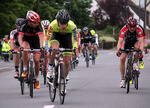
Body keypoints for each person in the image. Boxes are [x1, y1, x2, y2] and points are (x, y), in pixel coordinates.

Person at [46, 9, 78, 92]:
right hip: (56, 37)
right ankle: (50, 68)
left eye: (65, 24)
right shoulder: (52, 25)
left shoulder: (72, 26)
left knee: (67, 61)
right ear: (57, 22)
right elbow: (47, 39)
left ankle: (63, 80)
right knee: (54, 50)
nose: (64, 26)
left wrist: (75, 48)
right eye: (62, 24)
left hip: (67, 38)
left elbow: (75, 40)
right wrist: (47, 48)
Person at [18, 11, 44, 89]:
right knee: (25, 49)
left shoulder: (38, 25)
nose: (36, 24)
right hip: (26, 40)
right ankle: (25, 69)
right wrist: (21, 46)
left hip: (36, 40)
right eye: (34, 23)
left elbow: (41, 36)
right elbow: (20, 37)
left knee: (36, 60)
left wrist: (42, 46)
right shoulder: (24, 24)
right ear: (29, 21)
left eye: (37, 23)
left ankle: (36, 79)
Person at [117, 17, 144, 88]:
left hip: (135, 42)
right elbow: (119, 42)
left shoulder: (139, 29)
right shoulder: (124, 29)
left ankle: (135, 62)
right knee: (122, 59)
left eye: (134, 26)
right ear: (128, 25)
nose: (132, 28)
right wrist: (119, 50)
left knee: (138, 48)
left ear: (136, 26)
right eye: (130, 26)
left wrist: (141, 51)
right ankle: (122, 79)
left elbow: (141, 42)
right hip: (127, 43)